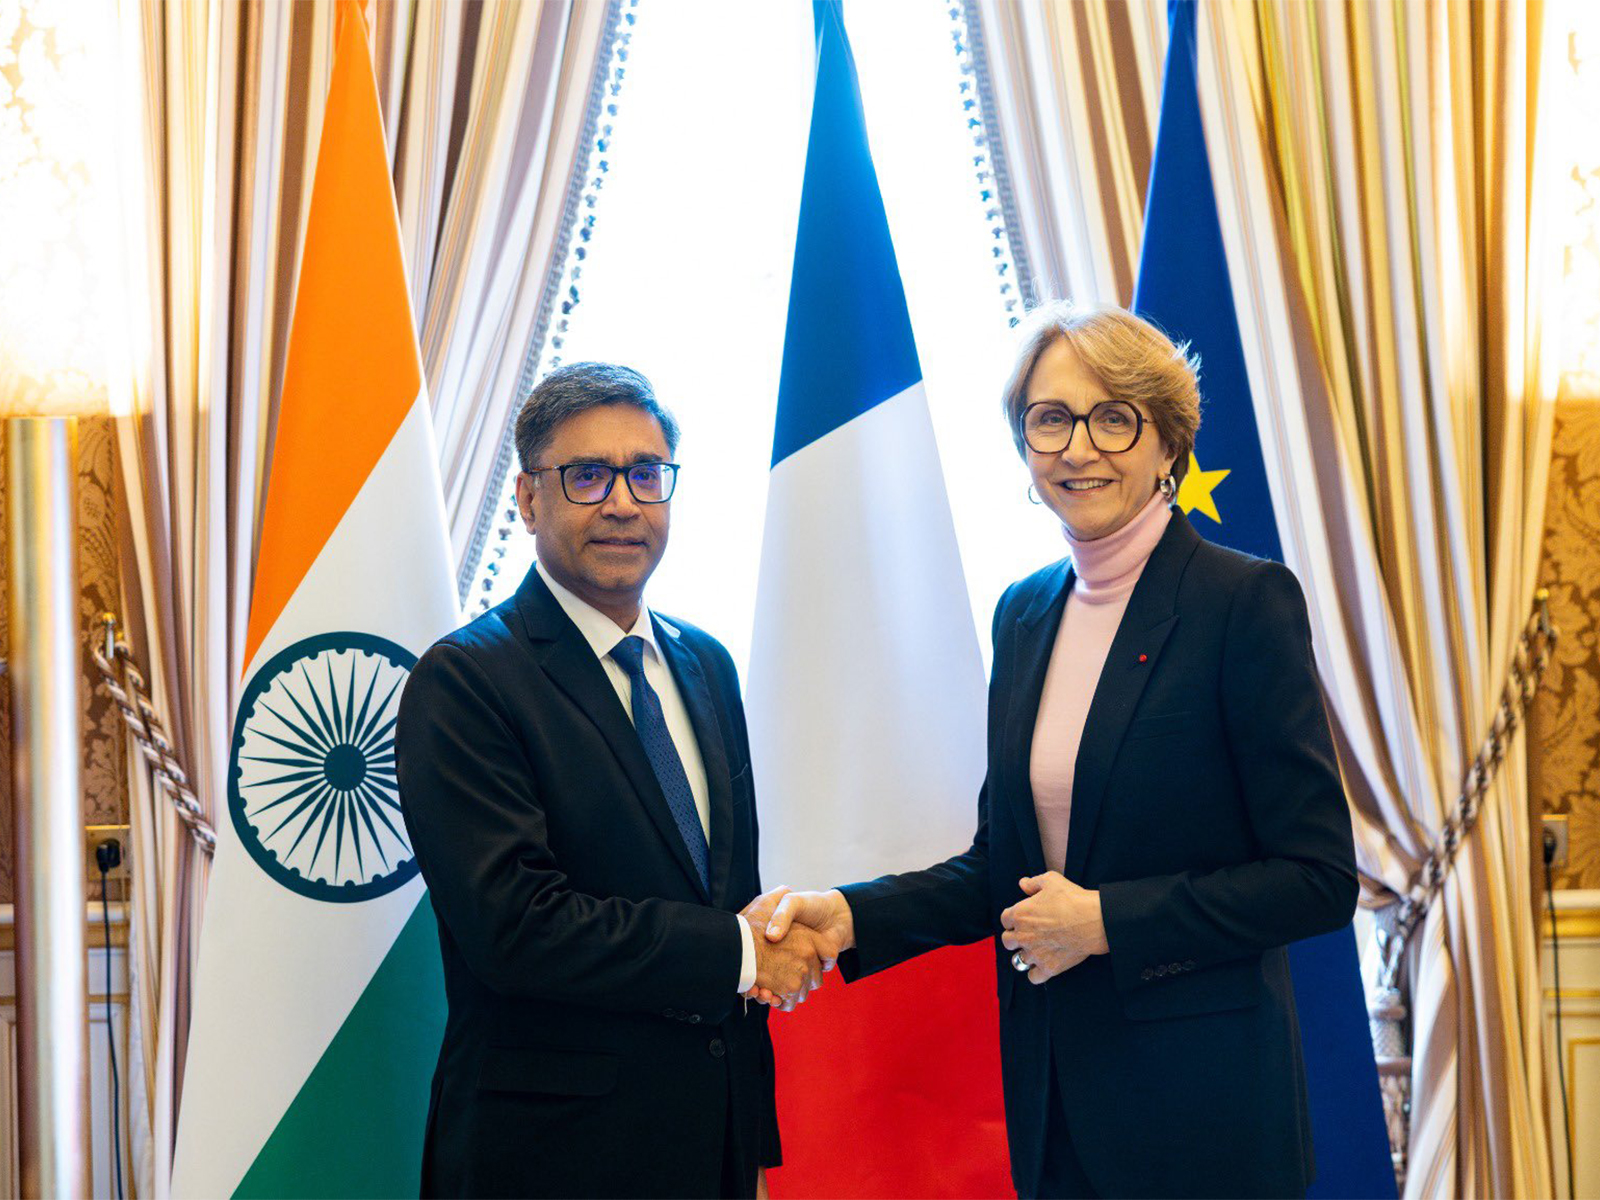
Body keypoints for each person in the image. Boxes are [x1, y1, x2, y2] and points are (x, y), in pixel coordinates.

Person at [763, 304, 1359, 1198]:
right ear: (1025, 446)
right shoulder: (1026, 612)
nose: (1079, 447)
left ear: (1168, 444)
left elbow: (1317, 879)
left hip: (1204, 1113)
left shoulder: (1243, 604)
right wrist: (850, 916)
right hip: (1056, 1100)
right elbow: (1000, 869)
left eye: (1113, 417)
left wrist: (1108, 921)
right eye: (1050, 419)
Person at [397, 362, 823, 1199]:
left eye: (646, 474)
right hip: (550, 1157)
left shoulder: (705, 664)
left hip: (714, 1143)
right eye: (586, 476)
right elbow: (518, 928)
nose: (622, 502)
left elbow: (724, 889)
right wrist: (742, 954)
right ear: (526, 499)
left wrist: (751, 1144)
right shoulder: (467, 680)